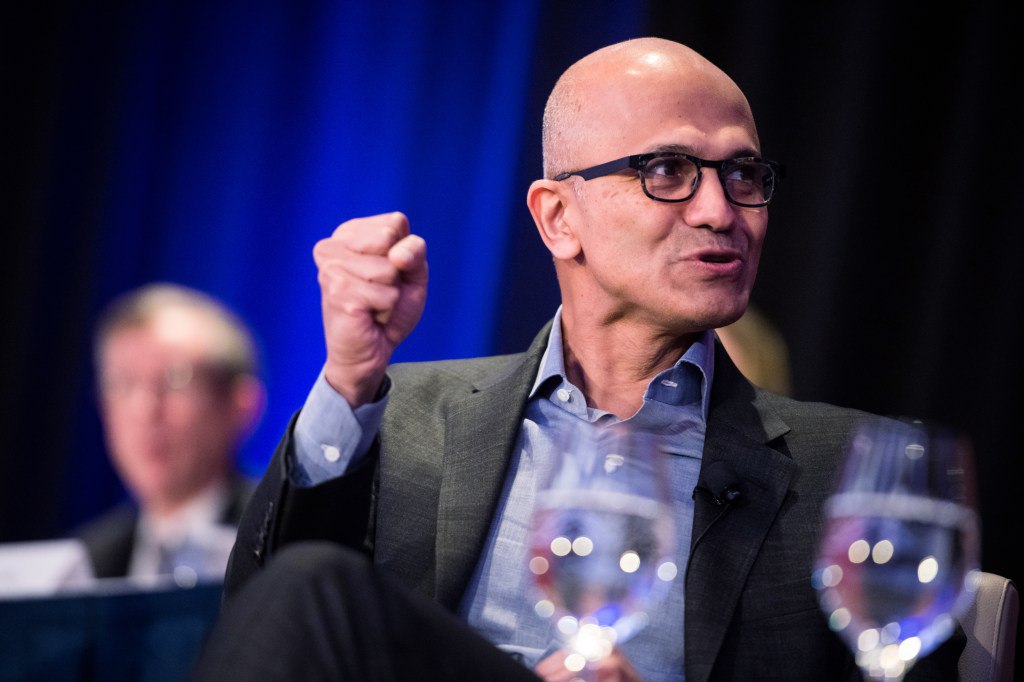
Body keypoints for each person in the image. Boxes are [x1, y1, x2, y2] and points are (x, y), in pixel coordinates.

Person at [192, 37, 962, 680]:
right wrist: (350, 380)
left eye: (744, 175)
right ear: (559, 217)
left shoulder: (847, 469)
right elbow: (266, 620)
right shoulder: (404, 419)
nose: (721, 211)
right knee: (312, 583)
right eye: (668, 171)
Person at [76, 283, 265, 586]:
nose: (145, 411)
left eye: (175, 381)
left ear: (239, 406)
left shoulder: (277, 542)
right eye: (123, 383)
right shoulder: (85, 564)